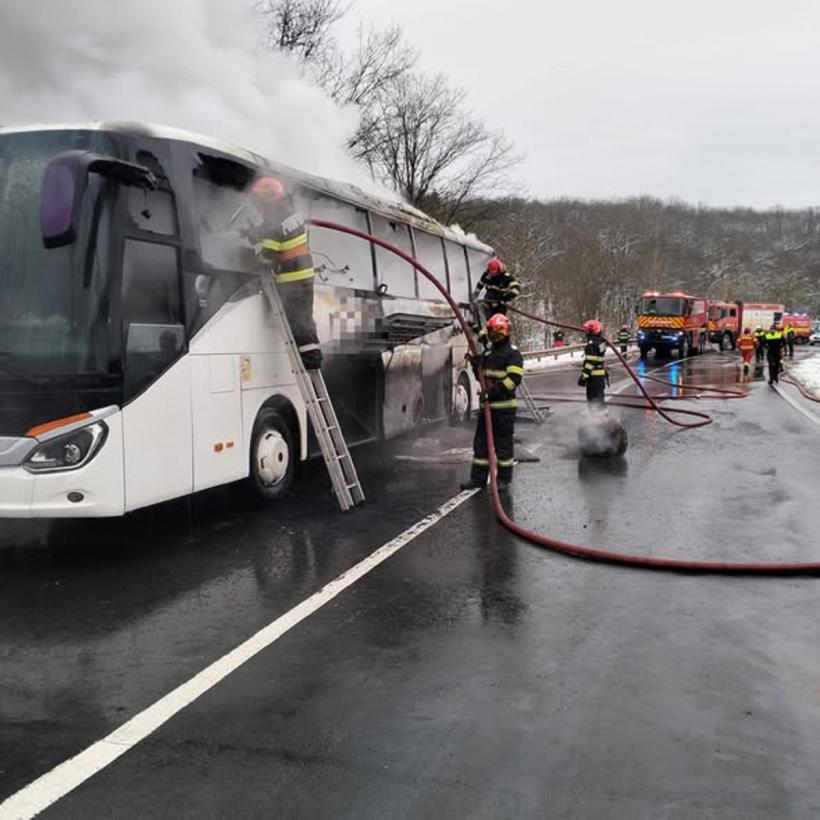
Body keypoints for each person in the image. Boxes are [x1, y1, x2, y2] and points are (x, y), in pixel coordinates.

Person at [248, 176, 322, 370]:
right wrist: (260, 230)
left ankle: (310, 360)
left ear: (267, 199)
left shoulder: (275, 219)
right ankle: (313, 356)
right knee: (306, 318)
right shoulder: (290, 213)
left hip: (292, 279)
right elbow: (282, 232)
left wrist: (255, 244)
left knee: (298, 321)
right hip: (305, 275)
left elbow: (267, 257)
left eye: (258, 200)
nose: (257, 205)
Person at [461, 314, 524, 492]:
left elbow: (514, 379)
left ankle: (503, 480)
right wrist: (475, 365)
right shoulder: (489, 352)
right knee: (481, 445)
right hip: (487, 408)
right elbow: (481, 377)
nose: (494, 336)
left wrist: (493, 393)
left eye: (498, 333)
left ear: (506, 332)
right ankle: (478, 479)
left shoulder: (512, 354)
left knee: (503, 447)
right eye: (492, 333)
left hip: (504, 409)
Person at [579, 319, 608, 409]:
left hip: (593, 377)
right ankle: (602, 415)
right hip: (600, 376)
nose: (586, 332)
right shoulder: (601, 341)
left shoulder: (592, 343)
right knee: (599, 397)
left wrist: (584, 376)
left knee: (593, 398)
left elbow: (591, 361)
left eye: (588, 330)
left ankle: (598, 418)